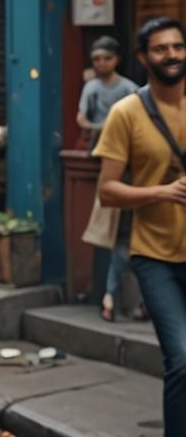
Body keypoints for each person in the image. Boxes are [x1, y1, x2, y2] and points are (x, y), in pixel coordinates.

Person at [96, 16, 186, 437]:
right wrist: (162, 192)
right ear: (144, 56)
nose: (172, 54)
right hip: (156, 256)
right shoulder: (127, 113)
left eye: (178, 45)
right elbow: (108, 189)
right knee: (182, 360)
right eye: (161, 48)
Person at [77, 36, 140, 322]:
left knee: (127, 239)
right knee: (120, 238)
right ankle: (114, 297)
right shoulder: (91, 87)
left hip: (133, 168)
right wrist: (96, 126)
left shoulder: (130, 89)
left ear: (117, 58)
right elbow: (81, 119)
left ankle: (115, 297)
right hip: (104, 165)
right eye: (96, 59)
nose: (101, 64)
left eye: (106, 58)